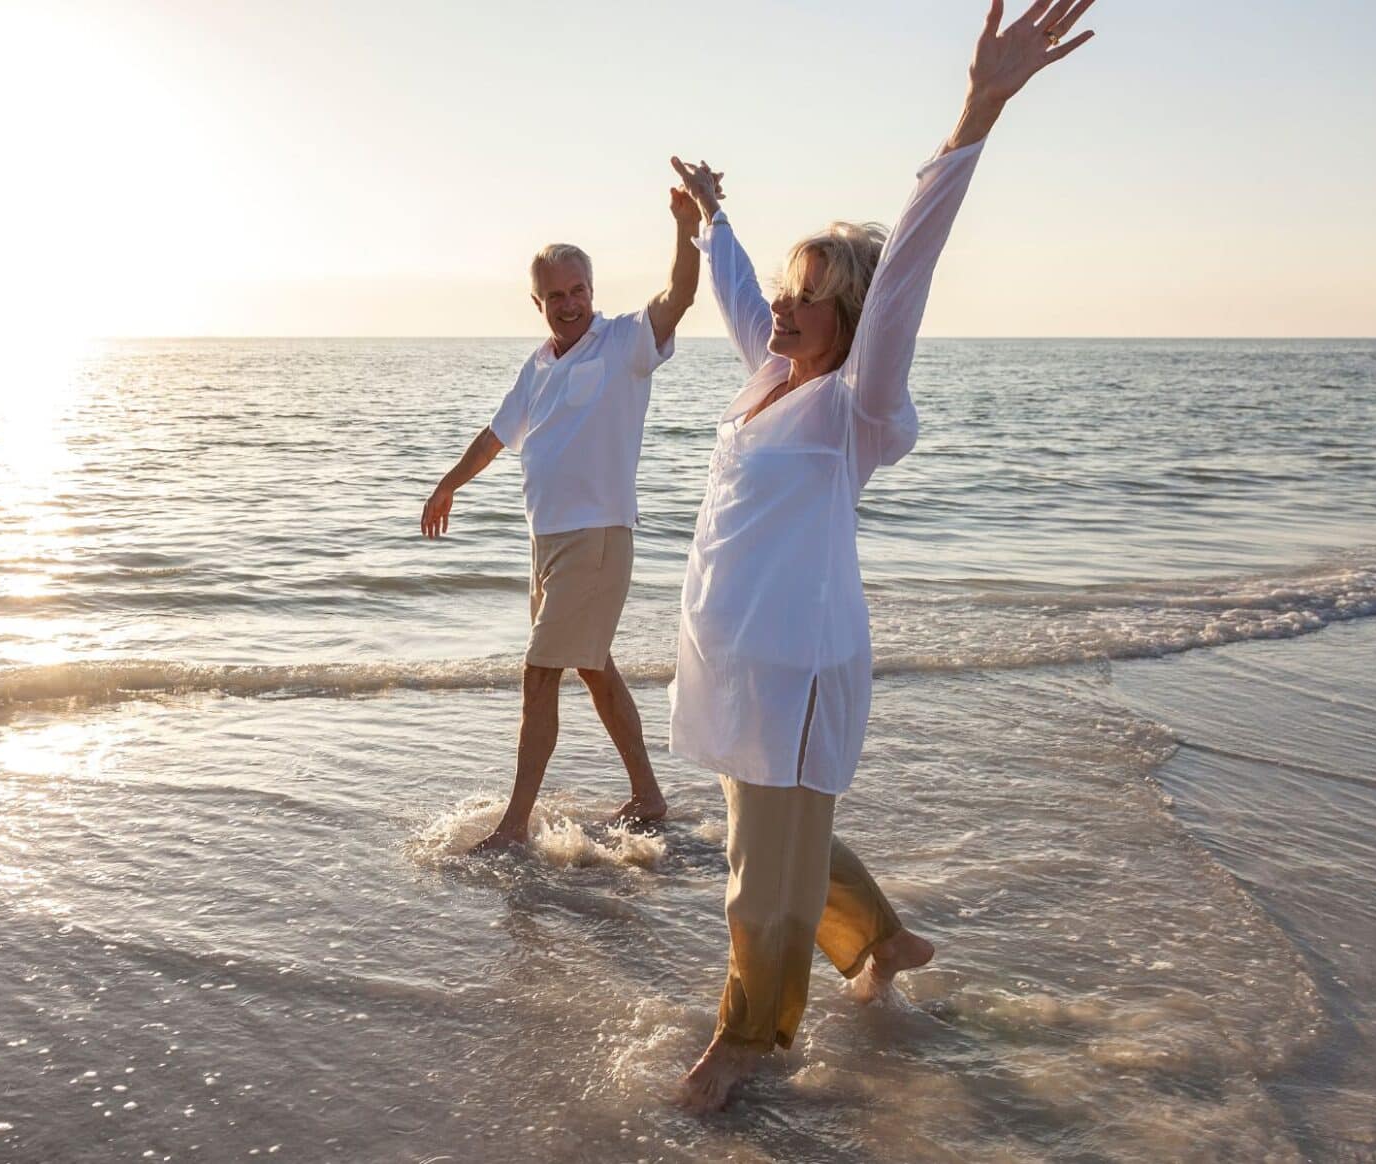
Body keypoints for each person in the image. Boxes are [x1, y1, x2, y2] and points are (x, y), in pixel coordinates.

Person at [668, 0, 1101, 1112]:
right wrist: (716, 221)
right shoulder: (773, 384)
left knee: (758, 877)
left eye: (814, 296)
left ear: (855, 321)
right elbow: (734, 295)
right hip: (739, 664)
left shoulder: (851, 410)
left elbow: (905, 272)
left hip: (798, 665)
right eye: (787, 290)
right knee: (774, 837)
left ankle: (749, 1043)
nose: (787, 306)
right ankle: (883, 941)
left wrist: (976, 112)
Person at [420, 188, 703, 852]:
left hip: (598, 537)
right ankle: (650, 796)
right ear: (538, 303)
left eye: (579, 290)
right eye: (557, 296)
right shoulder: (539, 365)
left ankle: (515, 824)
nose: (571, 304)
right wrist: (447, 486)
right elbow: (495, 437)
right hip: (547, 545)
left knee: (539, 671)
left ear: (592, 290)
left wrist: (686, 228)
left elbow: (679, 297)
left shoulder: (624, 344)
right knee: (594, 668)